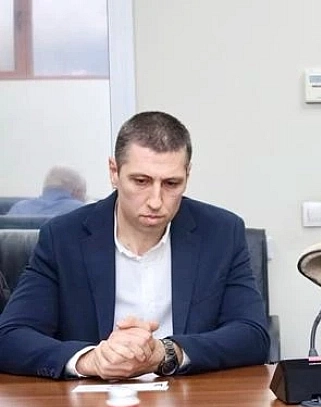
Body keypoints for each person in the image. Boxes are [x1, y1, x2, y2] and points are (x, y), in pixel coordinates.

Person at [0, 111, 270, 379]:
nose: (155, 201)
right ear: (114, 172)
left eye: (171, 183)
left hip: (188, 396)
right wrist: (90, 360)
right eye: (141, 181)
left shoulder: (221, 233)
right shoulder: (63, 238)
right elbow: (10, 337)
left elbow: (253, 336)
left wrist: (167, 353)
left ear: (187, 175)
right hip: (93, 399)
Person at [6, 166, 87, 216]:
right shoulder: (82, 211)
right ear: (77, 191)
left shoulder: (18, 208)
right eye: (84, 193)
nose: (85, 198)